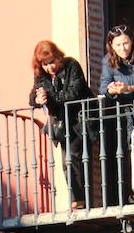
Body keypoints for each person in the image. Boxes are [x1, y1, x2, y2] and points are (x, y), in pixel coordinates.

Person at [30, 40, 93, 211]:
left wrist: (49, 97)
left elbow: (75, 92)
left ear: (58, 56)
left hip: (80, 120)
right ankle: (77, 200)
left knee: (73, 157)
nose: (49, 67)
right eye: (45, 64)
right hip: (62, 124)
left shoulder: (72, 65)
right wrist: (37, 99)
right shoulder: (41, 75)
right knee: (67, 161)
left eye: (52, 62)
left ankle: (80, 201)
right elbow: (32, 96)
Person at [98, 25, 134, 206]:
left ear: (132, 41)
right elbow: (103, 86)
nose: (123, 48)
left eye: (126, 43)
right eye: (117, 45)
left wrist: (129, 88)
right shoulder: (108, 60)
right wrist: (110, 89)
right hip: (131, 110)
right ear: (111, 45)